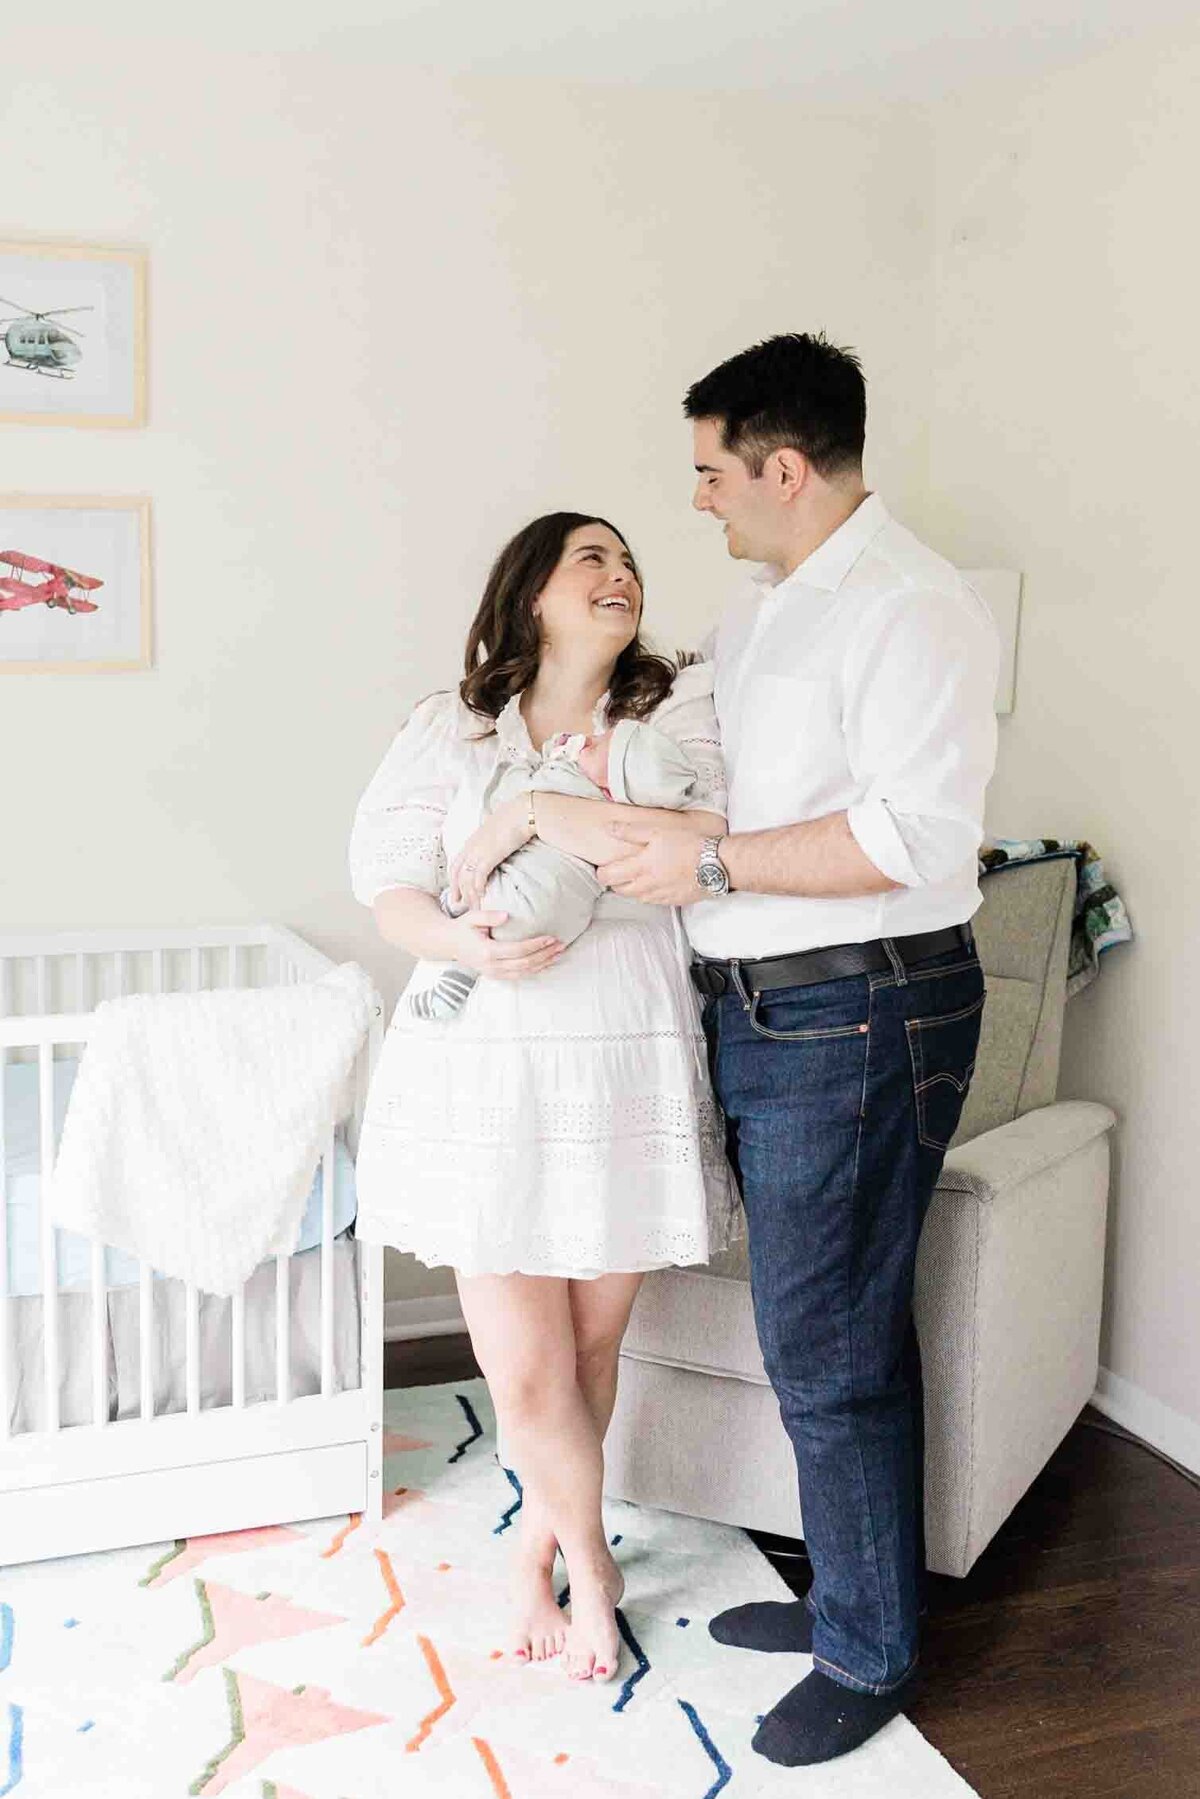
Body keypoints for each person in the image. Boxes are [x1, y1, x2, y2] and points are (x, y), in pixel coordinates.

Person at [595, 334, 999, 1766]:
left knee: (829, 1341)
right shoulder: (765, 610)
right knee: (815, 1324)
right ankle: (852, 1588)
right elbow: (741, 787)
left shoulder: (910, 608)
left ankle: (870, 1648)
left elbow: (909, 839)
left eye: (711, 472)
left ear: (782, 465)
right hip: (772, 1002)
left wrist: (704, 865)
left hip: (864, 1001)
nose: (698, 498)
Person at [348, 512, 739, 1685]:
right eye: (593, 559)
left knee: (587, 1343)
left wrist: (532, 815)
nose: (621, 576)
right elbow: (389, 884)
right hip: (485, 1059)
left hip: (620, 1046)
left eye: (628, 562)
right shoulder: (450, 728)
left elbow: (700, 837)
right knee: (525, 1369)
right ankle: (593, 1564)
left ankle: (538, 1544)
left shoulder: (675, 712)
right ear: (530, 594)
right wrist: (458, 928)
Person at [411, 712, 712, 1020]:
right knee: (491, 932)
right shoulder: (622, 817)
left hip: (523, 896)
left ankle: (453, 935)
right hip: (563, 923)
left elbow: (514, 793)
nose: (587, 740)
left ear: (610, 788)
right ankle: (458, 978)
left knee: (471, 898)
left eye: (595, 747)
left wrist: (537, 761)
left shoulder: (571, 785)